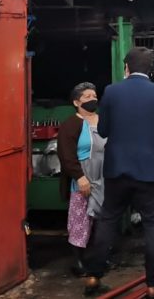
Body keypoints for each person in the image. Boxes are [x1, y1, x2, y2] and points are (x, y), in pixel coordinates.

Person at [81, 47, 154, 299]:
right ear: (150, 70)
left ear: (126, 67)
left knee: (108, 220)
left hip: (116, 169)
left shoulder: (112, 91)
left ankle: (93, 275)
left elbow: (103, 130)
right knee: (153, 225)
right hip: (149, 171)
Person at [57, 82, 106, 277]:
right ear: (76, 102)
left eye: (94, 95)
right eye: (86, 97)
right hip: (83, 177)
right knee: (80, 220)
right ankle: (78, 261)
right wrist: (80, 177)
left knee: (102, 218)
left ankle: (99, 256)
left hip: (103, 175)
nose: (92, 99)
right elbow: (66, 156)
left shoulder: (103, 120)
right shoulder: (70, 125)